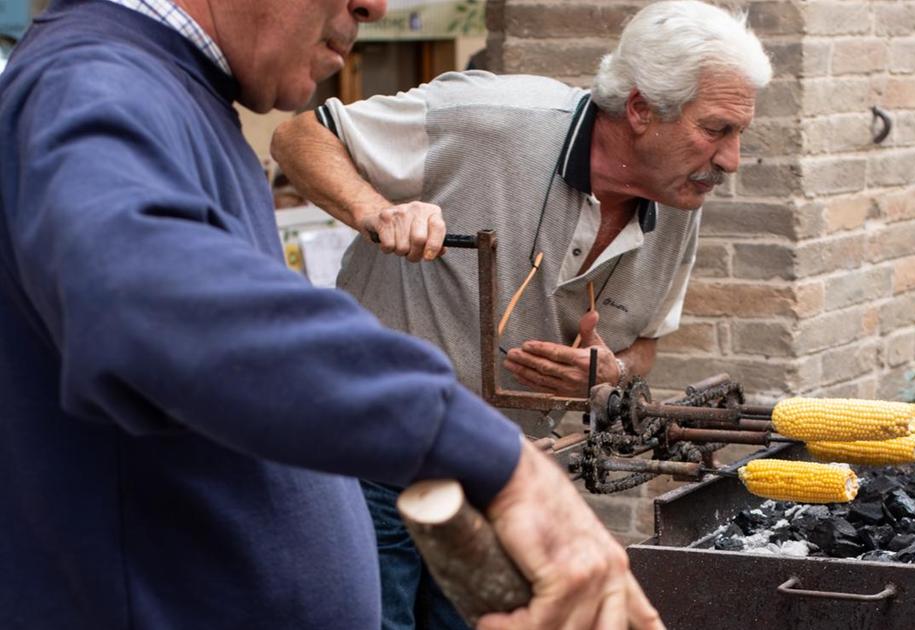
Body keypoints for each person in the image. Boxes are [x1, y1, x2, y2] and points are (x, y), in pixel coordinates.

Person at [0, 1, 663, 629]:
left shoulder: (177, 90)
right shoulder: (91, 83)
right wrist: (479, 448)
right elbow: (142, 299)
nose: (373, 6)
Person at [271, 1, 772, 628]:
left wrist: (610, 371)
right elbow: (300, 135)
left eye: (739, 134)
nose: (731, 160)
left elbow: (644, 347)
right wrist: (375, 210)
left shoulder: (680, 204)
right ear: (641, 109)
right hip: (367, 447)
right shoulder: (492, 120)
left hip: (496, 472)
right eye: (717, 129)